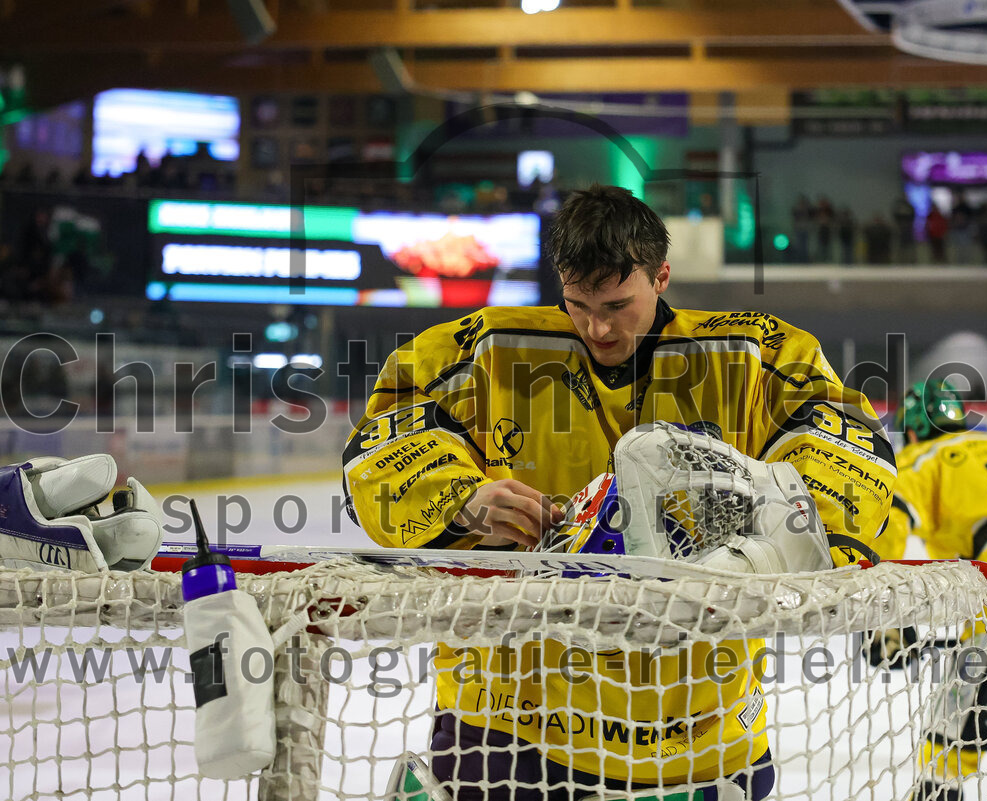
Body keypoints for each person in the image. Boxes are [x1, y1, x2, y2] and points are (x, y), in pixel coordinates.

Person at [343, 184, 896, 801]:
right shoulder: (480, 351)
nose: (596, 326)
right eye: (577, 304)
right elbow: (381, 449)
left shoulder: (755, 355)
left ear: (661, 276)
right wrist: (461, 499)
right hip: (509, 722)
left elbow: (849, 448)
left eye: (616, 303)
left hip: (699, 731)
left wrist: (768, 548)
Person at [883, 380, 987, 801]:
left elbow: (894, 516)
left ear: (910, 431)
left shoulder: (922, 456)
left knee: (950, 736)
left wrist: (888, 620)